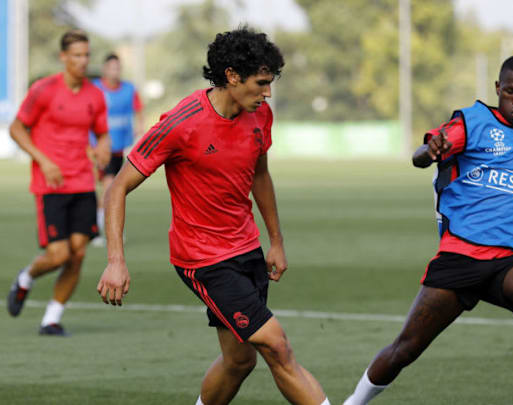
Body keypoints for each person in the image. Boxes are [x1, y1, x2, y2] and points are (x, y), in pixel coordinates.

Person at [343, 55, 513, 405]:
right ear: (497, 89)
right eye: (511, 92)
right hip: (462, 256)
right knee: (405, 349)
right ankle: (354, 402)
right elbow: (422, 154)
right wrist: (430, 150)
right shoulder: (472, 122)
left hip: (512, 261)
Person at [96, 27, 330, 405]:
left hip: (247, 249)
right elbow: (117, 187)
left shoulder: (260, 115)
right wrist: (115, 261)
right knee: (277, 346)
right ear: (232, 76)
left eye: (271, 83)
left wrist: (276, 242)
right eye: (261, 82)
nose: (268, 93)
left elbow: (260, 175)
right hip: (203, 258)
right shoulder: (181, 122)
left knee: (239, 361)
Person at [6, 29, 110, 336]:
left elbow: (102, 132)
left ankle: (51, 318)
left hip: (82, 182)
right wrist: (44, 160)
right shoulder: (44, 90)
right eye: (76, 55)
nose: (82, 61)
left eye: (86, 55)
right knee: (59, 255)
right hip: (50, 184)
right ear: (63, 57)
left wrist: (103, 145)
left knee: (77, 255)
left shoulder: (95, 95)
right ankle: (26, 278)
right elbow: (16, 128)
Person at [89, 53, 144, 247]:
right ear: (105, 69)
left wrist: (139, 126)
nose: (115, 71)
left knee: (109, 188)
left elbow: (139, 109)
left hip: (119, 148)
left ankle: (97, 228)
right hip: (99, 147)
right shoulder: (95, 88)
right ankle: (101, 230)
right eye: (112, 68)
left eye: (118, 68)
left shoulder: (129, 89)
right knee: (109, 187)